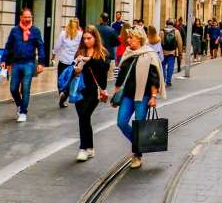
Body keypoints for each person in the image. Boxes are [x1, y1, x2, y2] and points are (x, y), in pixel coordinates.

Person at [113, 27, 165, 169]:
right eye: (128, 37)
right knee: (121, 122)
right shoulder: (128, 53)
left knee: (139, 124)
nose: (128, 40)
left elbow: (154, 78)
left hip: (143, 95)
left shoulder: (149, 54)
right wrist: (116, 93)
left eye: (131, 38)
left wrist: (154, 96)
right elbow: (121, 75)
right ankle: (138, 142)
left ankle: (137, 154)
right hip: (128, 95)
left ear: (140, 38)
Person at [72, 26, 110, 161]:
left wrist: (89, 60)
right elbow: (73, 68)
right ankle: (90, 148)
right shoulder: (80, 51)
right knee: (84, 118)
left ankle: (83, 148)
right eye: (84, 39)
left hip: (94, 90)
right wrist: (75, 69)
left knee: (84, 115)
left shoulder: (102, 53)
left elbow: (104, 68)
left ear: (95, 38)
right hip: (79, 90)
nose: (87, 41)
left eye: (89, 38)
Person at [1, 7, 45, 123]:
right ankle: (19, 104)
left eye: (29, 17)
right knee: (13, 88)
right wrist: (4, 60)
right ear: (21, 17)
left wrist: (41, 62)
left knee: (25, 88)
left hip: (29, 63)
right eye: (25, 17)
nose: (27, 19)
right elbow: (8, 46)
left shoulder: (35, 31)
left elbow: (40, 46)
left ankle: (23, 112)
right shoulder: (14, 30)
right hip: (16, 63)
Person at [54, 18, 81, 108]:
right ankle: (65, 95)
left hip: (63, 61)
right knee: (70, 80)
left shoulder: (63, 33)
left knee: (61, 79)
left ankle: (61, 92)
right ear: (77, 25)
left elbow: (57, 46)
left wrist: (53, 56)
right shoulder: (80, 35)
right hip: (73, 62)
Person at [161, 20, 182, 86]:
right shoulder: (176, 32)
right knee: (171, 66)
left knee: (163, 66)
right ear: (173, 24)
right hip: (172, 52)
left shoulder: (161, 32)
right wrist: (180, 53)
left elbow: (159, 42)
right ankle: (168, 80)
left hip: (163, 52)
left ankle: (163, 78)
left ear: (166, 24)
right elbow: (180, 43)